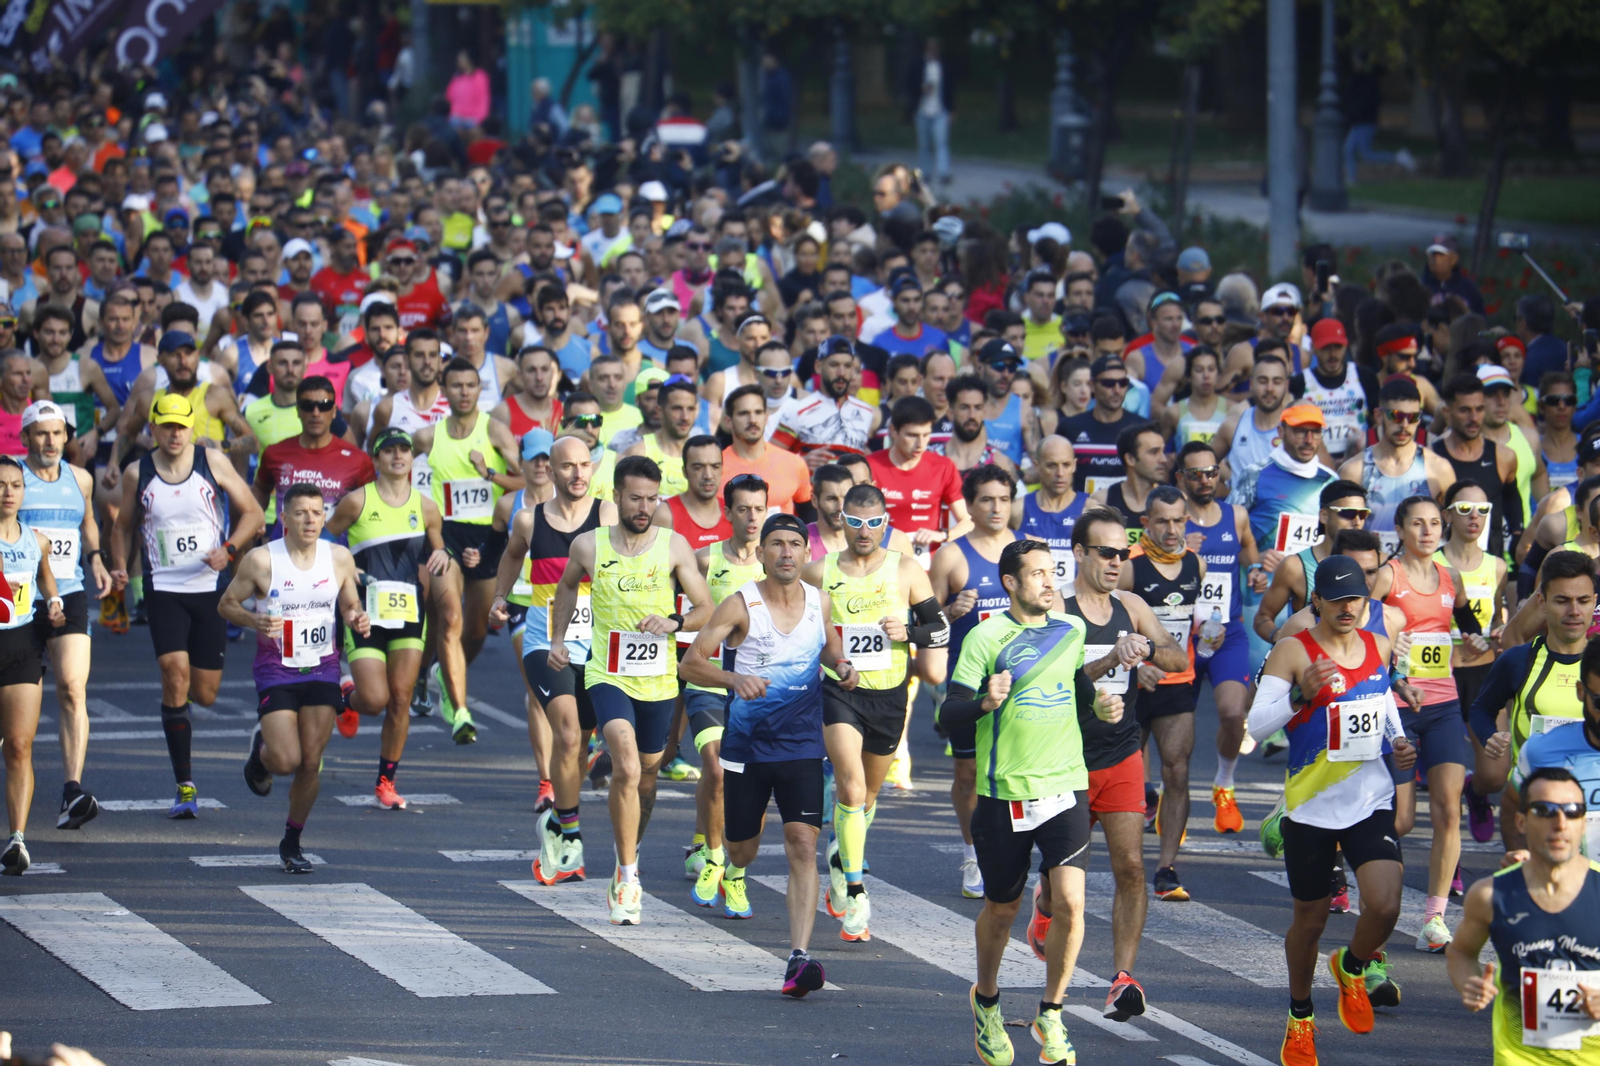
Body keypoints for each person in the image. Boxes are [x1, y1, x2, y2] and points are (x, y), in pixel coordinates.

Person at [942, 538, 1125, 1066]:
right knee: (1002, 909)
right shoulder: (984, 638)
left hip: (1065, 785)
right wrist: (985, 700)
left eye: (1053, 572)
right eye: (1038, 574)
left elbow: (1073, 687)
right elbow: (950, 712)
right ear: (1011, 583)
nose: (1050, 582)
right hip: (1004, 794)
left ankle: (1052, 1012)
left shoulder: (1070, 630)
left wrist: (1102, 705)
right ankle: (987, 999)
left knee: (1070, 903)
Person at [1249, 554, 1415, 1066]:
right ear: (1315, 600)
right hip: (1311, 806)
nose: (1348, 607)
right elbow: (1256, 730)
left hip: (1369, 798)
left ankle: (1353, 965)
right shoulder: (1292, 651)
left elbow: (1381, 697)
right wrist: (1303, 695)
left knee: (1386, 905)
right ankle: (1301, 1016)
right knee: (1310, 920)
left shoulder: (1378, 644)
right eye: (1337, 598)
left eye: (1356, 598)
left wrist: (1400, 739)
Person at [547, 455, 715, 924]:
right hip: (608, 672)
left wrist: (674, 621)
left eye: (651, 498)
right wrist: (559, 641)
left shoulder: (674, 546)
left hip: (660, 679)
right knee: (624, 763)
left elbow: (705, 607)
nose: (644, 506)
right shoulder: (588, 545)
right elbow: (565, 588)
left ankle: (630, 843)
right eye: (635, 497)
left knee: (646, 773)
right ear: (616, 497)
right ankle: (627, 874)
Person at [801, 482, 947, 940]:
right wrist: (831, 658)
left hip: (889, 695)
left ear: (886, 525)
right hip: (840, 691)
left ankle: (842, 857)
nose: (864, 532)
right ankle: (856, 887)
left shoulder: (906, 570)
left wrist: (909, 632)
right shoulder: (817, 571)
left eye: (873, 523)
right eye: (856, 522)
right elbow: (798, 628)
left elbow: (939, 631)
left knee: (867, 798)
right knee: (850, 787)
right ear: (840, 521)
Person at [1056, 506, 1186, 1018]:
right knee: (1061, 889)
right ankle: (1043, 915)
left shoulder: (1131, 605)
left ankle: (1123, 978)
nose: (1116, 562)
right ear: (1081, 553)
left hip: (1121, 754)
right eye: (1105, 552)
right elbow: (1050, 682)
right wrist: (1111, 658)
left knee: (1131, 867)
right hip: (1063, 760)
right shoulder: (1058, 611)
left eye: (1123, 553)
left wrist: (1147, 646)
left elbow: (1178, 658)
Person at [108, 394, 263, 817]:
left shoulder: (212, 463)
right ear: (153, 430)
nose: (175, 434)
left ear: (192, 428)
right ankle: (185, 786)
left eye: (182, 426)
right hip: (164, 588)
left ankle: (185, 710)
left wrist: (229, 550)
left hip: (210, 588)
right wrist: (120, 566)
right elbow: (122, 527)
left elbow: (254, 513)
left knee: (206, 694)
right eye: (167, 427)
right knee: (173, 673)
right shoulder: (137, 472)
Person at [225, 483, 372, 874]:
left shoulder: (339, 557)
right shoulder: (261, 561)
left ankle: (292, 841)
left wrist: (357, 616)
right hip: (276, 670)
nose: (310, 519)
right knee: (286, 760)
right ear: (284, 519)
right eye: (301, 513)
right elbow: (226, 604)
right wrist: (254, 619)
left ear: (325, 518)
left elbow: (350, 602)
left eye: (317, 512)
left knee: (310, 761)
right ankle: (262, 756)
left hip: (322, 668)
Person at [492, 435, 617, 884]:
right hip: (548, 642)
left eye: (585, 465)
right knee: (566, 737)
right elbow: (510, 556)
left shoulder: (608, 515)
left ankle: (558, 821)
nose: (578, 474)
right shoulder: (529, 520)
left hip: (600, 646)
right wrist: (500, 597)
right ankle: (570, 834)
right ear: (552, 471)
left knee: (581, 741)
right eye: (568, 466)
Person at [1373, 494, 1490, 951]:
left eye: (1435, 524)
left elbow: (1464, 618)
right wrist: (1396, 672)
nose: (1427, 532)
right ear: (1400, 530)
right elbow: (1363, 631)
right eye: (1417, 524)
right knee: (1400, 820)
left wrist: (1479, 636)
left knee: (1448, 809)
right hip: (1397, 711)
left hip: (1443, 707)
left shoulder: (1450, 577)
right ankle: (1380, 897)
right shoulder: (1388, 576)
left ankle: (1434, 920)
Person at [324, 428, 450, 808]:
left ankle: (386, 783)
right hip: (365, 611)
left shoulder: (426, 506)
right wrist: (348, 570)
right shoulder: (356, 502)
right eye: (389, 451)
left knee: (400, 699)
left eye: (404, 451)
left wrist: (443, 556)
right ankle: (346, 696)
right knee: (375, 699)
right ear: (375, 459)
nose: (398, 457)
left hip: (409, 611)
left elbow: (438, 545)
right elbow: (325, 543)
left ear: (413, 459)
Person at [1447, 765, 1600, 1064]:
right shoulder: (1491, 895)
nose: (1560, 823)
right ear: (1521, 821)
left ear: (1583, 822)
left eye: (1571, 810)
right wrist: (1469, 983)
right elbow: (1461, 953)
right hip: (1518, 1058)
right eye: (1544, 810)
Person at [929, 464, 1028, 900]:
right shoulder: (951, 555)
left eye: (1003, 499)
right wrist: (951, 611)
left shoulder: (1026, 552)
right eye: (986, 499)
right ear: (969, 505)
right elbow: (925, 622)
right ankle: (972, 852)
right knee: (968, 773)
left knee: (1016, 771)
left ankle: (1010, 851)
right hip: (969, 684)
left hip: (1020, 681)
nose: (995, 508)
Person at [413, 357, 523, 740]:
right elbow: (404, 478)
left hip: (487, 536)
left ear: (480, 390)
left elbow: (525, 481)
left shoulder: (495, 431)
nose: (464, 392)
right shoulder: (427, 437)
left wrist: (488, 473)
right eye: (456, 386)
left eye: (471, 385)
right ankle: (459, 710)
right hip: (445, 535)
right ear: (443, 391)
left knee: (476, 629)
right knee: (448, 617)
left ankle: (444, 669)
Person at [679, 474, 770, 903]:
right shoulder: (701, 560)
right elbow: (675, 606)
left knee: (753, 780)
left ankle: (735, 868)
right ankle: (713, 855)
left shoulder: (779, 564)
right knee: (714, 769)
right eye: (743, 509)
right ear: (728, 511)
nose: (752, 517)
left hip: (760, 688)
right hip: (711, 681)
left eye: (759, 509)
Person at [1467, 550, 1596, 847]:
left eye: (1584, 601)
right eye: (1562, 600)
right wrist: (1491, 736)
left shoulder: (1597, 662)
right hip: (1532, 803)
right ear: (1542, 602)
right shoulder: (1518, 661)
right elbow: (1481, 710)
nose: (1574, 611)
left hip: (1591, 805)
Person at [18, 402, 107, 830]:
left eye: (57, 433)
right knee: (16, 705)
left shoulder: (81, 478)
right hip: (17, 599)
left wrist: (96, 559)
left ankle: (73, 790)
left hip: (68, 592)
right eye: (41, 434)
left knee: (73, 687)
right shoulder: (11, 479)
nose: (51, 442)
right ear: (26, 438)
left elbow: (87, 521)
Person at [1174, 441, 1266, 833]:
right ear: (1181, 478)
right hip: (1182, 639)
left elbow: (1248, 550)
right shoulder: (1173, 521)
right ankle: (1165, 795)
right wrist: (1177, 551)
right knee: (1176, 732)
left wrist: (1257, 570)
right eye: (1195, 474)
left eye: (1211, 472)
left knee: (1233, 714)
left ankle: (1224, 785)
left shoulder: (1236, 515)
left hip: (1226, 634)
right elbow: (1142, 560)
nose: (1205, 480)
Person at [0, 456, 67, 875]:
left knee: (20, 746)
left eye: (14, 485)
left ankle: (17, 840)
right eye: (0, 485)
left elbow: (45, 579)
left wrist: (56, 604)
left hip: (23, 646)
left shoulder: (36, 540)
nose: (7, 492)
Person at [1254, 479, 1372, 632]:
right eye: (1348, 513)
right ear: (1324, 516)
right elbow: (1263, 617)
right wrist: (1281, 640)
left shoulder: (1376, 564)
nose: (1357, 522)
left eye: (1363, 514)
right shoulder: (1295, 566)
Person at [867, 396, 970, 569]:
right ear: (893, 430)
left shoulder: (943, 467)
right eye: (912, 435)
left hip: (927, 567)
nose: (920, 443)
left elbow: (968, 521)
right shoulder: (870, 466)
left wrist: (942, 535)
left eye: (926, 435)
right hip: (879, 564)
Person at [1433, 373, 1519, 559]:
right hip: (1444, 567)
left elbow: (1512, 500)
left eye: (1479, 409)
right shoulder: (1432, 458)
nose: (1474, 417)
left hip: (1490, 568)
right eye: (1465, 410)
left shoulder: (1504, 456)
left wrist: (1518, 534)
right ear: (1447, 412)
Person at [772, 337, 878, 466]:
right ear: (818, 367)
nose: (842, 373)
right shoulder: (797, 410)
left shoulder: (866, 412)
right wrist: (801, 462)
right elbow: (771, 459)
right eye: (834, 365)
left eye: (848, 366)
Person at [372, 330, 452, 495]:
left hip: (446, 505)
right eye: (419, 355)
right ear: (407, 361)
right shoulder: (387, 408)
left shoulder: (454, 406)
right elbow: (373, 456)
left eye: (432, 355)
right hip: (402, 504)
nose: (427, 362)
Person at [1291, 317, 1378, 464]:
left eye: (1338, 347)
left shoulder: (1365, 377)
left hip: (1360, 462)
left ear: (1346, 345)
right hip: (1315, 464)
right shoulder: (1299, 383)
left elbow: (1379, 421)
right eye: (1325, 348)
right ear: (1312, 348)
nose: (1333, 355)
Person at [1014, 436, 1087, 596]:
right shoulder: (1017, 510)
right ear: (1036, 466)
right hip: (1031, 603)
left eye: (1066, 465)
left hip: (1075, 605)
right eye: (1051, 466)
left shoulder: (1089, 510)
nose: (1060, 473)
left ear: (1074, 465)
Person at [1057, 355, 1141, 494]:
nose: (1117, 390)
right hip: (1082, 512)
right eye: (1109, 383)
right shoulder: (1070, 427)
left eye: (1123, 383)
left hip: (1126, 513)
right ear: (1091, 385)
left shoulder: (1141, 428)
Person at [720, 385, 811, 515]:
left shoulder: (794, 464)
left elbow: (808, 518)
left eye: (758, 412)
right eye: (743, 413)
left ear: (766, 417)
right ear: (728, 421)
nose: (752, 420)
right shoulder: (715, 467)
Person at [1212, 353, 1291, 486]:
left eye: (1277, 381)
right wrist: (1230, 481)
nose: (1269, 388)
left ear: (1286, 385)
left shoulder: (1298, 428)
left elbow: (1326, 475)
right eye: (1262, 381)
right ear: (1251, 384)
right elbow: (1203, 465)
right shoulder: (1232, 427)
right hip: (1242, 506)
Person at [1090, 422, 1167, 546]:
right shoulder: (1102, 501)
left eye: (1163, 451)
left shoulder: (1173, 501)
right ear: (1130, 459)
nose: (1163, 459)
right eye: (1154, 452)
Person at [654, 435, 733, 547]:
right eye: (698, 467)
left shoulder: (734, 512)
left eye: (715, 466)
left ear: (722, 469)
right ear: (684, 471)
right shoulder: (666, 514)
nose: (708, 475)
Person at [936, 375, 1018, 477]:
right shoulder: (932, 460)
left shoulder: (1000, 462)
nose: (972, 415)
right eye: (964, 407)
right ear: (950, 414)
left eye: (977, 408)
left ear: (984, 413)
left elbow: (1018, 492)